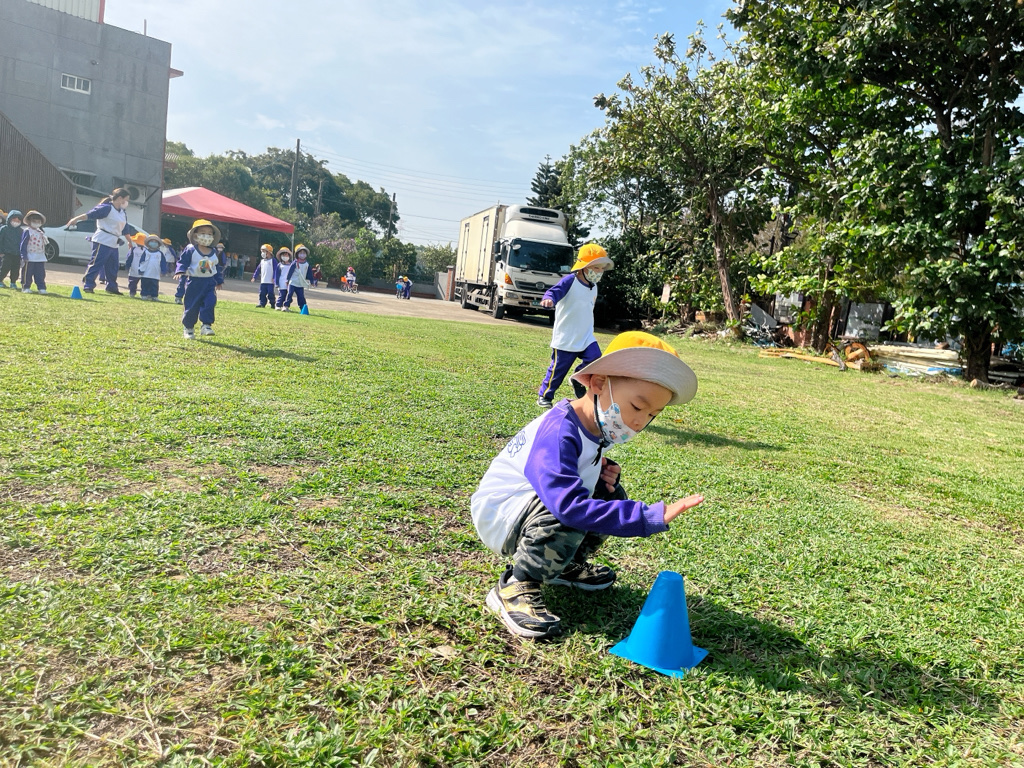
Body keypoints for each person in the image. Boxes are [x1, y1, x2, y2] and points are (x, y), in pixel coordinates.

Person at [472, 331, 703, 640]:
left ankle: (563, 565)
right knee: (570, 511)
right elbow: (567, 505)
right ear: (598, 382)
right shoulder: (559, 430)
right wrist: (644, 517)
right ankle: (516, 585)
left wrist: (603, 480)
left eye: (652, 414)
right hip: (501, 515)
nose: (640, 422)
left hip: (528, 509)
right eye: (637, 407)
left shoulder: (595, 426)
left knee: (608, 496)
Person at [536, 243, 614, 410]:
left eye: (602, 268)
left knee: (595, 359)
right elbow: (553, 291)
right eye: (596, 267)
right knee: (558, 371)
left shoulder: (594, 286)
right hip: (566, 337)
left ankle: (577, 377)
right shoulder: (570, 281)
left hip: (586, 336)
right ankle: (545, 395)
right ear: (583, 267)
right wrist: (549, 299)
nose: (599, 272)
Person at [67, 188, 138, 295]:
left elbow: (125, 228)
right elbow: (90, 214)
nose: (127, 202)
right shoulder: (106, 208)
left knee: (113, 266)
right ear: (120, 198)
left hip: (114, 242)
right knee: (97, 263)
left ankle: (111, 287)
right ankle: (88, 285)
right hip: (102, 240)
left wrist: (129, 241)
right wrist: (76, 219)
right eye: (126, 199)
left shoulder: (122, 212)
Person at [175, 219, 224, 339]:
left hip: (209, 282)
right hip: (194, 283)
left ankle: (206, 325)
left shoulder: (213, 252)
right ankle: (188, 328)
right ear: (195, 235)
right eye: (203, 233)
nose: (206, 236)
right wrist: (180, 270)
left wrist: (219, 280)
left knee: (210, 302)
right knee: (192, 305)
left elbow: (216, 267)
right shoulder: (191, 249)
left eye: (209, 234)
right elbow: (183, 261)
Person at [19, 210, 49, 294]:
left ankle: (41, 287)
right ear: (29, 221)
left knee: (40, 273)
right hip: (29, 257)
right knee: (27, 273)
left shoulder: (40, 232)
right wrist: (23, 255)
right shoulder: (27, 231)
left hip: (40, 257)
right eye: (34, 221)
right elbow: (23, 244)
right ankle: (26, 287)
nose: (36, 223)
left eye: (38, 222)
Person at [137, 234, 168, 301]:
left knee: (154, 285)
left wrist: (163, 271)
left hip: (155, 273)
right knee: (145, 284)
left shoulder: (160, 254)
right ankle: (144, 294)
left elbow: (163, 263)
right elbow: (142, 261)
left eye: (155, 242)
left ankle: (154, 296)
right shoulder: (145, 252)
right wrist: (140, 270)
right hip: (146, 273)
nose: (153, 243)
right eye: (152, 241)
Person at [284, 244, 314, 312]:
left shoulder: (307, 264)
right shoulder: (295, 263)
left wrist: (312, 281)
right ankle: (286, 306)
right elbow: (290, 272)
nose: (302, 254)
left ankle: (303, 308)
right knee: (289, 294)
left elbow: (310, 273)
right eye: (300, 253)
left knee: (301, 296)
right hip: (293, 282)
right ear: (297, 254)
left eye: (304, 253)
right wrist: (287, 280)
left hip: (300, 283)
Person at [0, 209, 23, 289]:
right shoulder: (4, 229)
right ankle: (0, 280)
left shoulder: (20, 231)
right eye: (14, 220)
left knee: (16, 269)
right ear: (9, 219)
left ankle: (13, 282)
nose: (16, 222)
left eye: (18, 221)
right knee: (4, 268)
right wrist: (1, 251)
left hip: (17, 254)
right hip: (6, 253)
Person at [124, 233, 147, 298]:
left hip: (134, 269)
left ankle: (132, 293)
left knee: (132, 282)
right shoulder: (146, 250)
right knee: (144, 284)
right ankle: (144, 294)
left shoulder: (133, 249)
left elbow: (129, 259)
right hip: (144, 270)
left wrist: (127, 267)